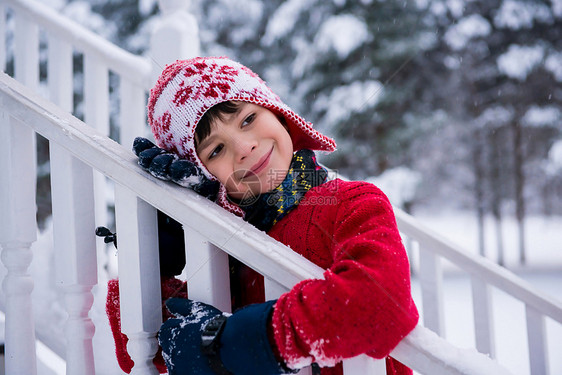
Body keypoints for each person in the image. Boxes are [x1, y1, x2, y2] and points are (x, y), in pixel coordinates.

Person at [108, 56, 419, 375]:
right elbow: (148, 349)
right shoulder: (224, 248)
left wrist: (239, 342)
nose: (244, 147)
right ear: (205, 174)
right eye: (216, 150)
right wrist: (161, 247)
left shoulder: (352, 203)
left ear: (277, 112)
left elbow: (381, 304)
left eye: (247, 119)